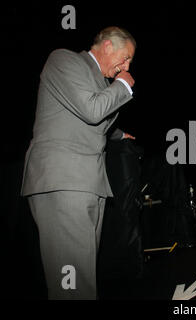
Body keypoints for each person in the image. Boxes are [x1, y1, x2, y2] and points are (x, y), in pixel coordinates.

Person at [21, 26, 137, 299]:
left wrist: (120, 134)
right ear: (107, 46)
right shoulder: (64, 59)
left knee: (80, 276)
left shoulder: (100, 82)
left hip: (88, 181)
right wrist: (123, 85)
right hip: (64, 179)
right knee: (72, 282)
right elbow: (91, 109)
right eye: (126, 56)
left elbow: (92, 122)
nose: (127, 65)